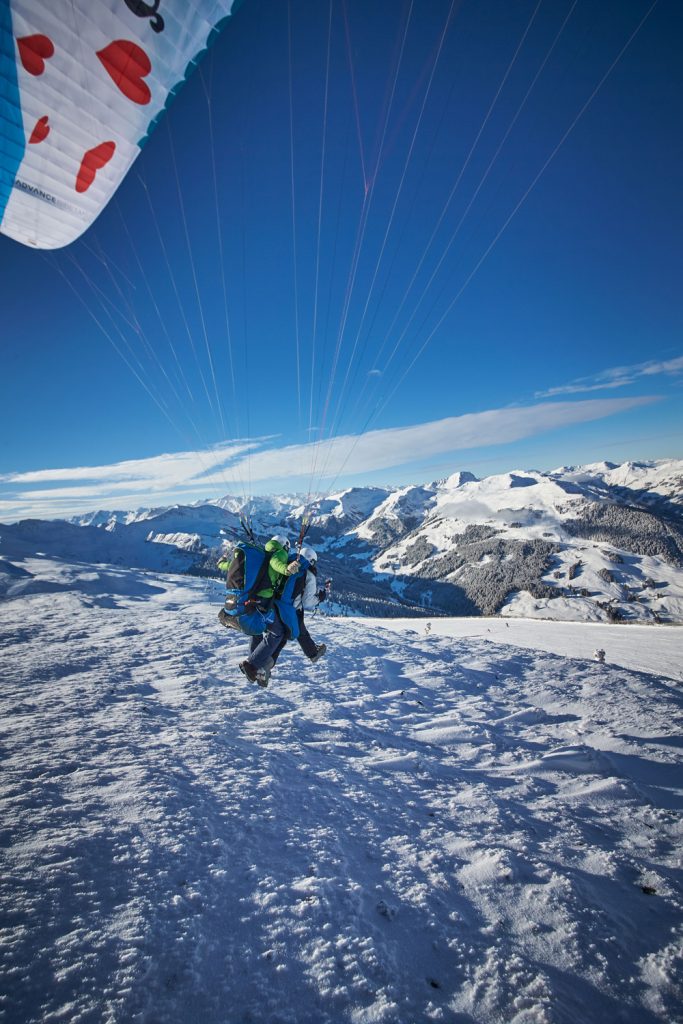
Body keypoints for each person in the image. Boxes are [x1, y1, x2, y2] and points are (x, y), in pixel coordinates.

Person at [238, 534, 303, 686]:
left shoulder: (262, 552)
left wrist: (222, 563)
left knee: (257, 630)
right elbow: (276, 563)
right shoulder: (278, 553)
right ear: (285, 545)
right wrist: (287, 569)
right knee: (277, 632)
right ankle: (252, 664)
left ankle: (256, 667)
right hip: (264, 599)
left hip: (252, 598)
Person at [269, 544, 327, 671]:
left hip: (277, 603)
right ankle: (312, 653)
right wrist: (319, 598)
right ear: (311, 560)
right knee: (296, 631)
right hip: (292, 608)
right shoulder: (309, 574)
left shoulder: (290, 564)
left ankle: (267, 661)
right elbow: (307, 602)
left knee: (285, 634)